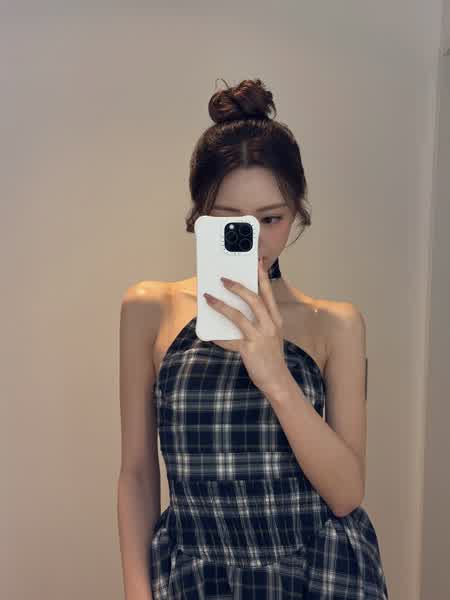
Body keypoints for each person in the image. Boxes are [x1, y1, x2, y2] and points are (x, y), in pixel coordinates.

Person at [118, 78, 389, 599]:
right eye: (229, 221)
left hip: (317, 574)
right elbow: (136, 474)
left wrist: (275, 377)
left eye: (271, 218)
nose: (254, 240)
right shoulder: (150, 309)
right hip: (196, 575)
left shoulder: (336, 324)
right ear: (200, 215)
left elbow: (346, 495)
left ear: (297, 213)